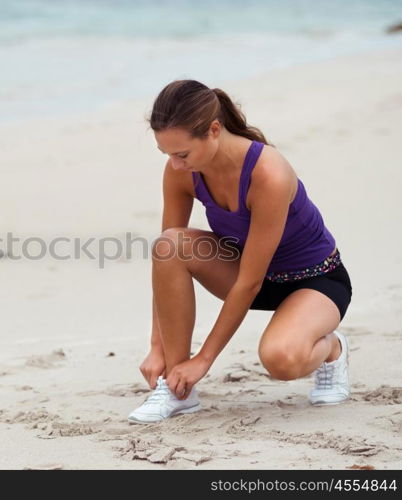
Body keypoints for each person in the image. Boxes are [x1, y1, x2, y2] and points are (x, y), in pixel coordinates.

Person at [128, 80, 353, 424]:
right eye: (167, 154)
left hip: (314, 280)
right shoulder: (181, 172)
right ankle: (176, 389)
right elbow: (165, 262)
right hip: (246, 274)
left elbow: (249, 284)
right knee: (169, 244)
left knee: (282, 360)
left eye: (182, 154)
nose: (174, 164)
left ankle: (332, 348)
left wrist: (203, 359)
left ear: (214, 130)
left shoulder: (269, 174)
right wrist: (156, 346)